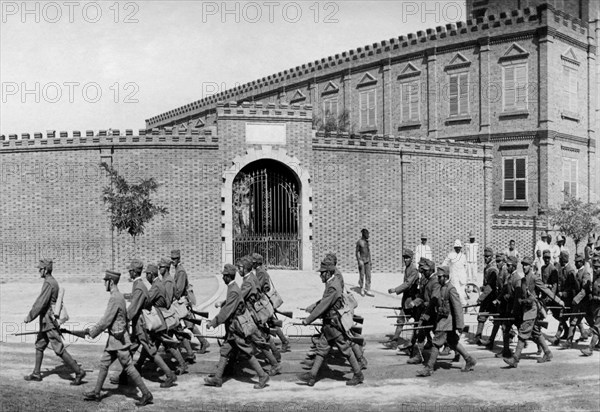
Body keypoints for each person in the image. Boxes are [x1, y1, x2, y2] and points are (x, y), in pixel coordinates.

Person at [83, 270, 153, 406]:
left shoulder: (115, 297)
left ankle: (146, 394)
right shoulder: (118, 296)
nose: (104, 284)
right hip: (115, 337)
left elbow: (106, 320)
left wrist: (92, 332)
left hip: (118, 339)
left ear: (111, 282)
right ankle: (97, 392)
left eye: (105, 281)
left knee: (128, 366)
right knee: (104, 363)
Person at [298, 258, 364, 386]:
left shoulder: (333, 286)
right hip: (329, 324)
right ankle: (311, 376)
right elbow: (324, 301)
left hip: (334, 325)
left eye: (322, 273)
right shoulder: (331, 283)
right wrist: (313, 307)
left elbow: (324, 305)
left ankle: (358, 374)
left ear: (328, 273)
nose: (320, 275)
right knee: (322, 349)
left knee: (345, 349)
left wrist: (309, 319)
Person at [111, 259, 176, 388]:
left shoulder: (139, 286)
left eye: (130, 271)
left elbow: (133, 308)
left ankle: (170, 375)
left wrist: (121, 319)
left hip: (140, 325)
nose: (129, 273)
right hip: (138, 325)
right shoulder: (138, 284)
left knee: (151, 351)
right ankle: (124, 377)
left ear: (134, 272)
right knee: (130, 350)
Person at [205, 264, 270, 389]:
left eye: (224, 276)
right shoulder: (233, 287)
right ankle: (217, 378)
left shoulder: (233, 290)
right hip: (233, 327)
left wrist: (213, 323)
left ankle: (262, 375)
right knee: (225, 350)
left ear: (228, 277)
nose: (223, 278)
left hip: (236, 327)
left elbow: (226, 311)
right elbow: (228, 306)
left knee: (246, 351)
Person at [23, 259, 86, 385]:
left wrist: (29, 317)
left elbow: (41, 303)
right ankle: (36, 373)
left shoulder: (48, 283)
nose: (39, 271)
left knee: (58, 348)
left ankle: (78, 371)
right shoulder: (52, 282)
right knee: (40, 345)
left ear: (45, 270)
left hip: (49, 321)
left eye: (40, 269)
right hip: (46, 321)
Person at [503, 257, 564, 367]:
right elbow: (518, 296)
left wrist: (558, 300)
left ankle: (515, 359)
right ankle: (548, 353)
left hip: (532, 309)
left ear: (530, 266)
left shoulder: (534, 278)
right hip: (525, 310)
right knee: (536, 332)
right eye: (523, 265)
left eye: (526, 265)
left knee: (522, 333)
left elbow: (546, 290)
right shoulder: (523, 280)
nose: (524, 266)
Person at [417, 266, 476, 376]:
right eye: (438, 277)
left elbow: (457, 307)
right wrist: (425, 316)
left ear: (446, 277)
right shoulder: (439, 287)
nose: (438, 279)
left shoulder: (450, 289)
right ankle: (469, 360)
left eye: (440, 277)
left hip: (447, 321)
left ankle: (429, 368)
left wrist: (460, 325)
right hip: (441, 319)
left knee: (436, 343)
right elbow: (433, 303)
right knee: (453, 342)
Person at [252, 253, 290, 353]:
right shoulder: (261, 270)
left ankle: (280, 343)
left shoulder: (260, 272)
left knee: (269, 322)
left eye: (253, 263)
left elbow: (257, 287)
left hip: (263, 301)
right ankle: (282, 342)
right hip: (264, 300)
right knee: (271, 322)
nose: (252, 264)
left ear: (257, 263)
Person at [406, 258, 440, 365]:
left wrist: (426, 307)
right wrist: (415, 302)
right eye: (423, 270)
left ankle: (459, 352)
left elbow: (434, 299)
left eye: (426, 270)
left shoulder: (435, 282)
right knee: (420, 332)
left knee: (442, 335)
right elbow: (422, 296)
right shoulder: (428, 280)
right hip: (426, 312)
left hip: (433, 313)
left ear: (431, 270)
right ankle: (418, 356)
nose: (423, 272)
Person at [386, 248, 419, 350]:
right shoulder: (407, 268)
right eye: (404, 258)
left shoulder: (413, 269)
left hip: (413, 301)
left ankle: (417, 343)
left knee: (418, 324)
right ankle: (395, 341)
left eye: (407, 258)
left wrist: (395, 290)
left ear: (411, 258)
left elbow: (408, 284)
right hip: (406, 300)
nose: (405, 260)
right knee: (400, 320)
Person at [170, 249, 197, 360]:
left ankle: (200, 343)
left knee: (185, 322)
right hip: (181, 299)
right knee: (188, 321)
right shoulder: (178, 269)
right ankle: (203, 342)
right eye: (172, 259)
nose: (173, 261)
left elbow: (179, 289)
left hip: (181, 300)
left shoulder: (180, 271)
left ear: (179, 259)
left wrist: (172, 298)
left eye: (175, 259)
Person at [471, 247, 498, 346]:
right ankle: (478, 337)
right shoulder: (487, 267)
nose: (486, 258)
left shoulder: (493, 269)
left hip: (493, 297)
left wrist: (480, 298)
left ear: (492, 257)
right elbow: (487, 284)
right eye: (485, 256)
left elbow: (490, 286)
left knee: (498, 319)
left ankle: (508, 335)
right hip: (488, 297)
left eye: (488, 256)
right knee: (482, 316)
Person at [580, 256, 600, 356]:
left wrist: (595, 297)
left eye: (598, 268)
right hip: (596, 308)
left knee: (596, 328)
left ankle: (590, 349)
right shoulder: (596, 278)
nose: (595, 270)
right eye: (594, 268)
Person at [442, 240, 468, 307]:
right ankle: (464, 304)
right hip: (454, 276)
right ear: (454, 248)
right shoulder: (451, 255)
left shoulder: (463, 256)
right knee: (457, 291)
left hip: (462, 277)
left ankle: (461, 306)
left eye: (459, 247)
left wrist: (465, 274)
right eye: (456, 247)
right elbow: (444, 263)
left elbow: (466, 266)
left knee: (462, 292)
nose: (458, 248)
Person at [356, 229, 373, 297]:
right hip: (362, 261)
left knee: (368, 275)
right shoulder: (359, 242)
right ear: (363, 234)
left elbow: (368, 252)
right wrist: (359, 260)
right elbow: (357, 252)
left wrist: (370, 261)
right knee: (362, 275)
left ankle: (368, 289)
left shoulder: (367, 242)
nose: (368, 235)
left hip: (367, 261)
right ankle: (361, 288)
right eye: (367, 234)